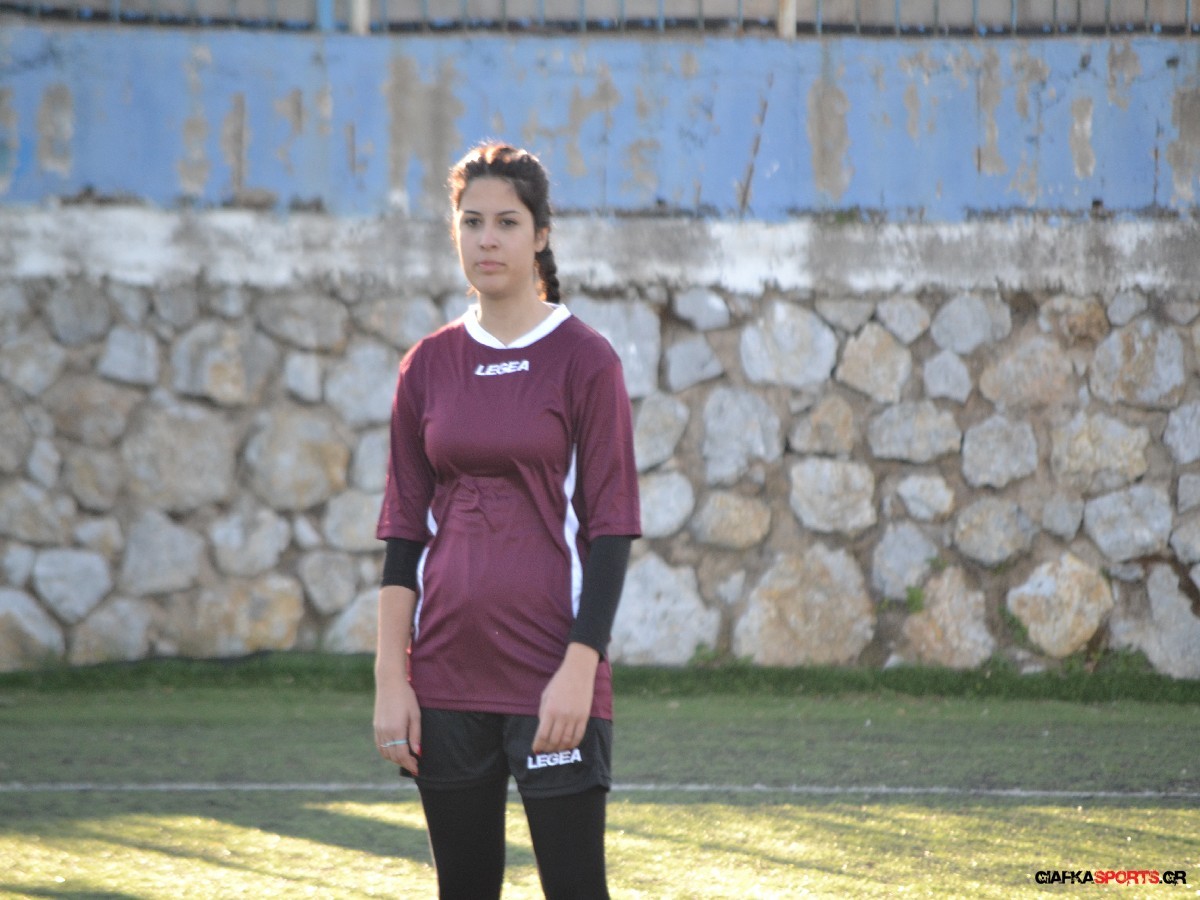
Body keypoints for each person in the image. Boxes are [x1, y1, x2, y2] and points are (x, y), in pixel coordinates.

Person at [373, 141, 641, 900]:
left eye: (507, 222)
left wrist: (580, 669)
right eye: (472, 222)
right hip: (445, 677)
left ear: (540, 235)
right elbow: (403, 535)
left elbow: (612, 528)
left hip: (552, 676)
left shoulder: (586, 360)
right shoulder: (427, 365)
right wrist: (392, 679)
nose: (486, 239)